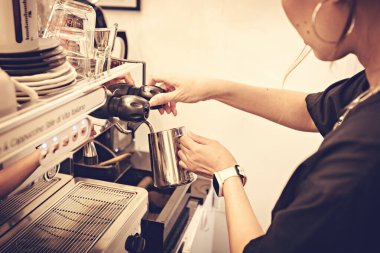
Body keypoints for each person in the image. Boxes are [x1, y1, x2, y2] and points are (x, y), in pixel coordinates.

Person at [148, 0, 380, 252]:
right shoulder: (371, 86)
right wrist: (211, 89)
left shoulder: (362, 155)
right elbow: (311, 111)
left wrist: (226, 173)